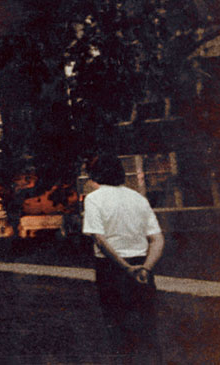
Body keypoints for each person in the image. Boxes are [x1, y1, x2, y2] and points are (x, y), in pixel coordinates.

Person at [82, 153, 165, 364]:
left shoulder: (93, 199)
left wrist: (126, 268)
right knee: (149, 327)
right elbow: (156, 239)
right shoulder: (138, 198)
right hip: (143, 268)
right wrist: (145, 268)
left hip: (111, 269)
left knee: (117, 329)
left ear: (95, 174)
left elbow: (99, 239)